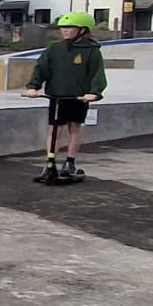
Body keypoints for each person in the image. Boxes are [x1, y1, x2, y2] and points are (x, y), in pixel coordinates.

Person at [21, 11, 107, 184]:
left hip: (78, 97)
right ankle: (50, 163)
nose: (65, 31)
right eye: (63, 28)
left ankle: (70, 162)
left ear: (82, 30)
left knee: (74, 127)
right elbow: (42, 68)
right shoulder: (55, 48)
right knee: (54, 129)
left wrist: (95, 92)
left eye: (69, 27)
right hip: (57, 95)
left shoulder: (92, 51)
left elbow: (98, 74)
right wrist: (33, 86)